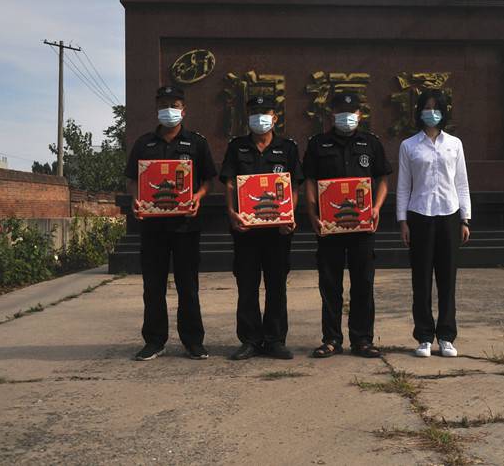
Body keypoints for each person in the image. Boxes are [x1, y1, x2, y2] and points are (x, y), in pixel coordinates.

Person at [124, 85, 217, 361]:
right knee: (153, 287)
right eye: (163, 105)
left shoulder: (197, 143)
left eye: (174, 105)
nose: (169, 110)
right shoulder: (144, 144)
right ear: (157, 109)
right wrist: (136, 199)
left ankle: (193, 341)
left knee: (188, 286)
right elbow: (132, 180)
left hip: (186, 227)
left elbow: (208, 181)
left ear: (183, 110)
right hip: (153, 228)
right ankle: (154, 341)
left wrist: (198, 197)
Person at [303, 92, 392, 359]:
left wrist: (376, 208)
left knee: (363, 282)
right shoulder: (318, 143)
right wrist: (312, 213)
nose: (346, 115)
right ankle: (331, 339)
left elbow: (382, 179)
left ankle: (362, 339)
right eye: (341, 110)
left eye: (351, 111)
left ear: (360, 114)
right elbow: (310, 181)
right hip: (329, 226)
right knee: (330, 284)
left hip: (362, 226)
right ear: (332, 114)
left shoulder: (371, 143)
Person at [219, 95, 303, 360]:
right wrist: (231, 212)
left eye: (265, 112)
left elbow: (294, 186)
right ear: (247, 117)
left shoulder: (287, 148)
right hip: (245, 230)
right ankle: (250, 340)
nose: (259, 117)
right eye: (254, 112)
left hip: (278, 232)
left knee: (276, 285)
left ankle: (275, 340)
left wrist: (289, 215)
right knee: (247, 284)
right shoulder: (237, 147)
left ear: (275, 117)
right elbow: (230, 183)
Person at [396, 89, 471, 358]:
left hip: (449, 214)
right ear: (419, 112)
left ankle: (447, 336)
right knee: (421, 278)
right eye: (426, 108)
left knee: (447, 278)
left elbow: (461, 183)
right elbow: (403, 186)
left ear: (443, 112)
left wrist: (465, 218)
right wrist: (402, 221)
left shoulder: (455, 144)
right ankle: (424, 336)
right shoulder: (409, 146)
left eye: (436, 107)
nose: (431, 112)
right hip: (419, 215)